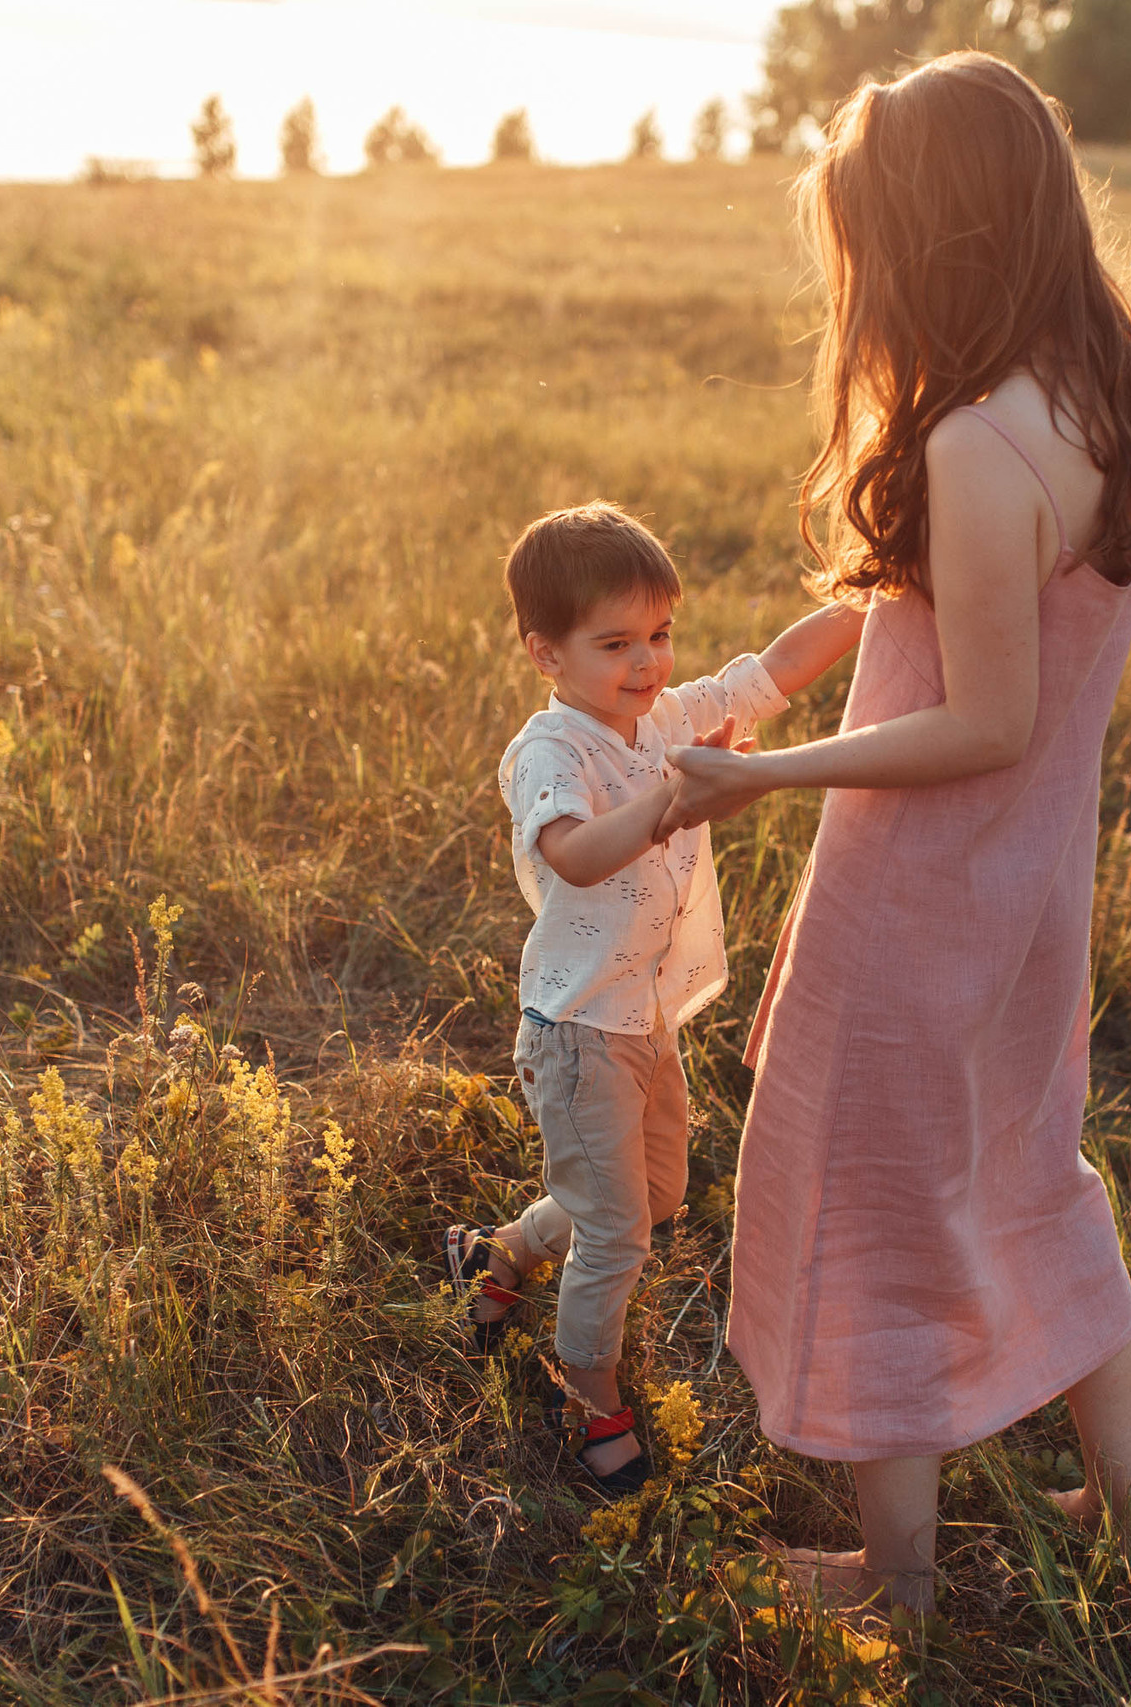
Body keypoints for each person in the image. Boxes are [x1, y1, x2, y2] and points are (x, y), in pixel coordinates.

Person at [660, 53, 1131, 1613]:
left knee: (870, 1197)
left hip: (913, 910)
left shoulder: (978, 440)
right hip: (1035, 899)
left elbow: (988, 722)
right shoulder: (1106, 392)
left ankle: (892, 1576)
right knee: (1036, 1165)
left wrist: (756, 781)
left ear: (923, 244)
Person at [446, 502, 865, 1494]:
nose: (648, 663)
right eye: (616, 644)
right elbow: (579, 858)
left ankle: (499, 1254)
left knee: (658, 1194)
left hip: (643, 1019)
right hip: (579, 1030)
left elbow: (767, 672)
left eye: (660, 636)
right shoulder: (551, 754)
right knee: (617, 1233)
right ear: (545, 654)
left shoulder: (662, 718)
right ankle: (588, 1395)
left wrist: (868, 599)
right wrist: (680, 796)